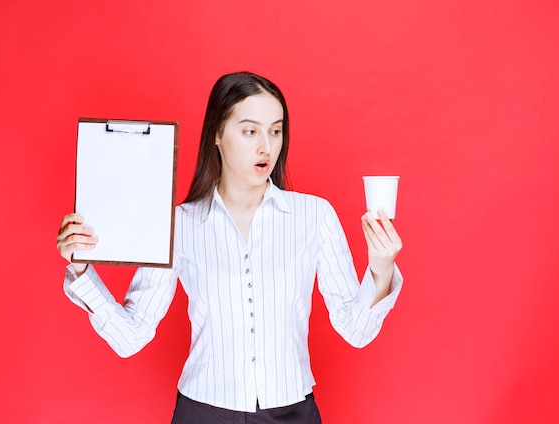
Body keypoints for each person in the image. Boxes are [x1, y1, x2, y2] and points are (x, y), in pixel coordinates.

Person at [56, 71, 403, 423]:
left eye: (276, 130)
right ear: (218, 135)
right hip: (203, 413)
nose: (266, 146)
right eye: (250, 131)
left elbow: (355, 330)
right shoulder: (181, 224)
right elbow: (131, 336)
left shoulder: (314, 216)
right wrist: (82, 270)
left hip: (293, 413)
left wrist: (381, 267)